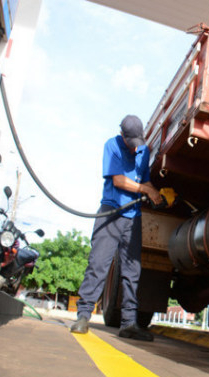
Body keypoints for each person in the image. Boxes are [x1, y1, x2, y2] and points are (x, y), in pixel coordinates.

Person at [70, 115, 161, 341]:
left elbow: (145, 180)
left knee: (132, 272)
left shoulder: (143, 150)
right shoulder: (112, 145)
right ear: (123, 136)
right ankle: (83, 316)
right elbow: (119, 181)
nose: (133, 149)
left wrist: (155, 192)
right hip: (111, 213)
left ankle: (129, 323)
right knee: (98, 265)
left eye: (136, 144)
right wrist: (146, 190)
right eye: (130, 144)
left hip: (133, 218)